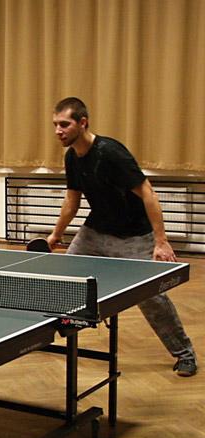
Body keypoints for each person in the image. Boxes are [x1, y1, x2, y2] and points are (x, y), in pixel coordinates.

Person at [48, 97, 197, 377]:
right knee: (65, 276)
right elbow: (72, 200)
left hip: (133, 235)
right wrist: (56, 234)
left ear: (83, 122)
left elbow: (148, 193)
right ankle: (59, 328)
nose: (58, 130)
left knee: (151, 298)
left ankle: (185, 354)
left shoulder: (111, 153)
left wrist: (161, 241)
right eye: (55, 124)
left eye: (64, 124)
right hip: (95, 231)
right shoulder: (72, 157)